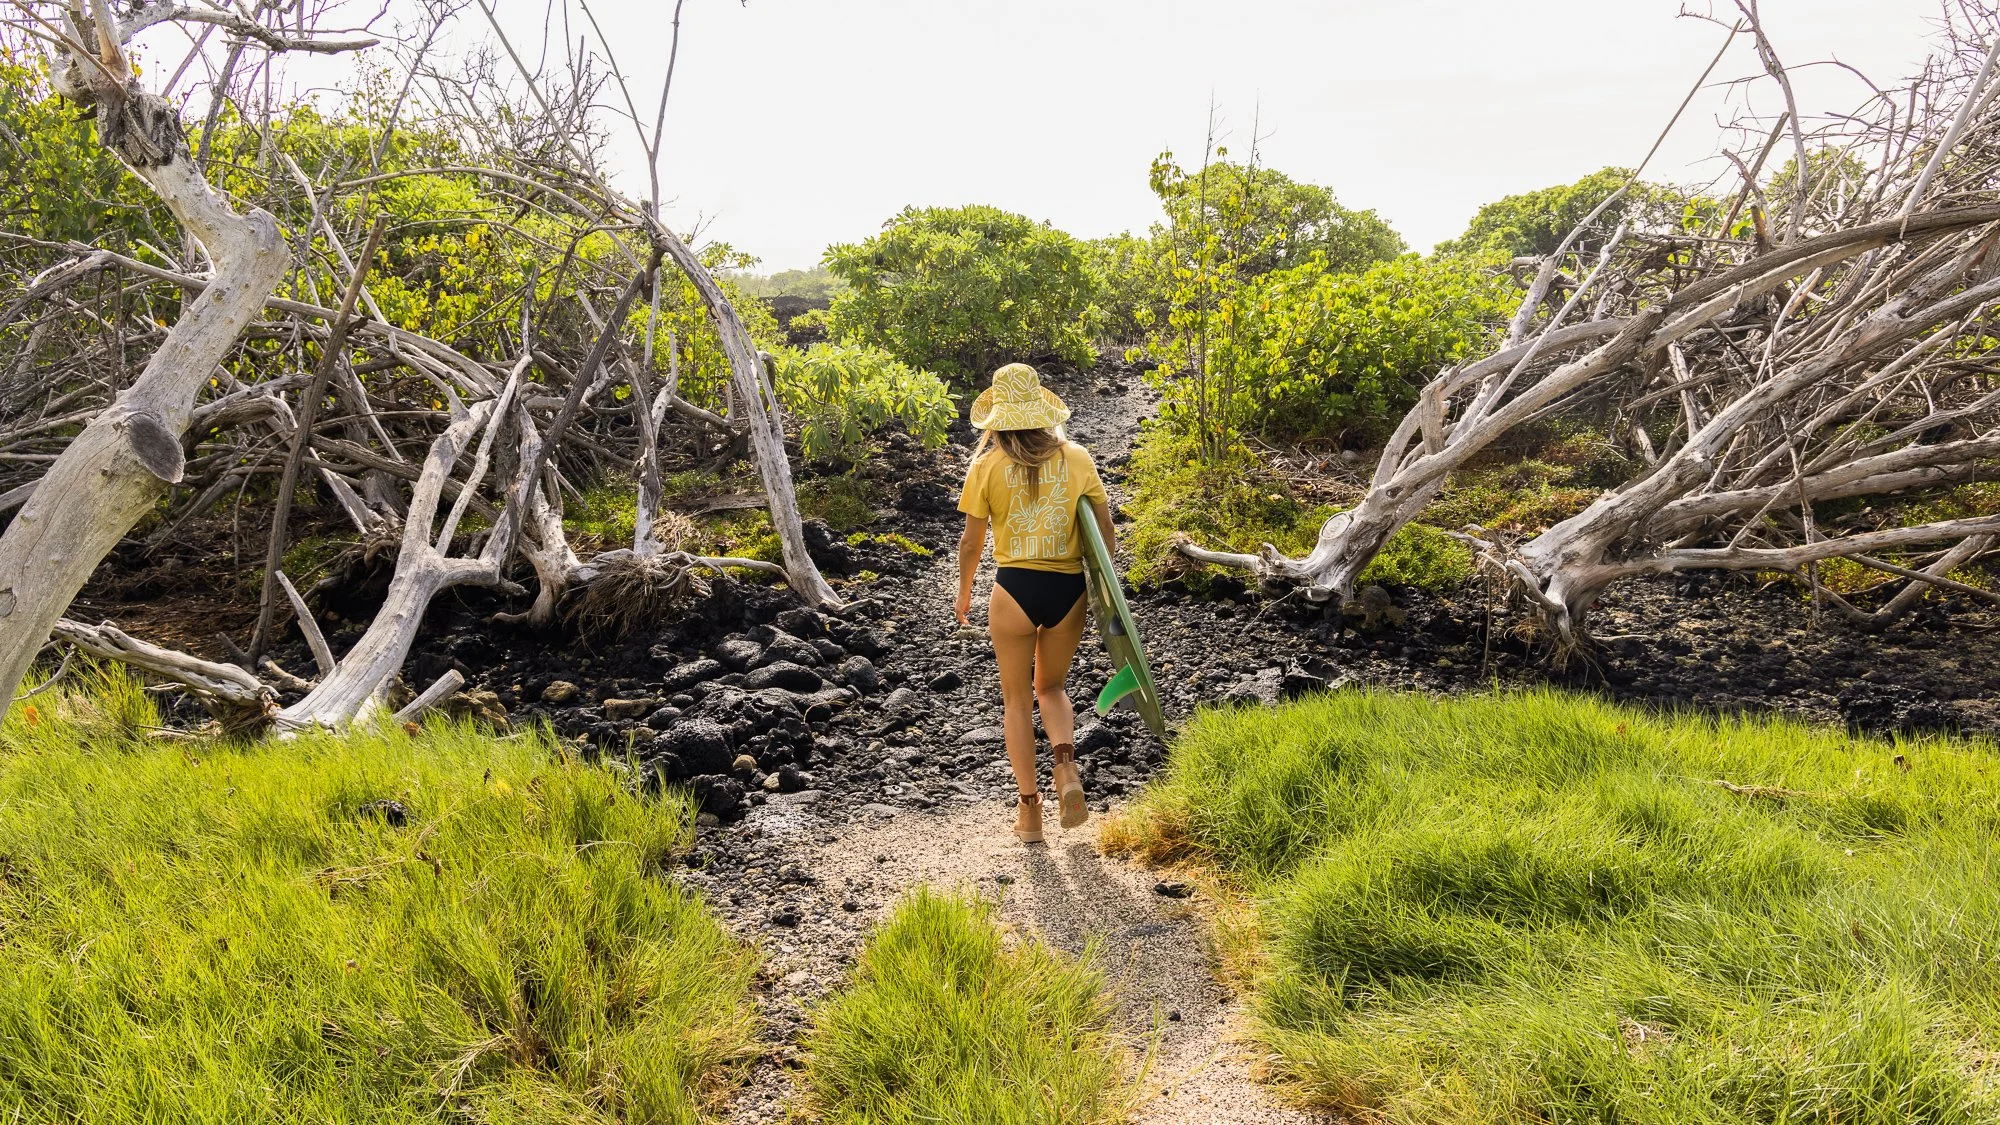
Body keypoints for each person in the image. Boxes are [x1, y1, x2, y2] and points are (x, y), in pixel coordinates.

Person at [954, 363, 1115, 843]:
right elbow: (1104, 534)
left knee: (1017, 700)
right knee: (1052, 688)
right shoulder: (1078, 457)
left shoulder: (985, 466)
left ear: (998, 417)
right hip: (1068, 591)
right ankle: (1066, 766)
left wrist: (964, 593)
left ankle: (1029, 811)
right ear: (1042, 411)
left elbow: (970, 543)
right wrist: (1104, 591)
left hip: (1013, 591)